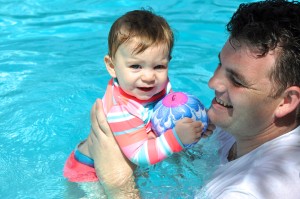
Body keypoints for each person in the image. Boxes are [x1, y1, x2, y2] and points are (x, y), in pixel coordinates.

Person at [86, 0, 300, 198]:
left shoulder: (246, 192)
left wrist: (119, 186)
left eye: (236, 80)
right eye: (219, 65)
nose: (213, 82)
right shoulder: (242, 124)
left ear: (286, 101)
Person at [64, 9, 210, 183]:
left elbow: (165, 119)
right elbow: (139, 155)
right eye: (135, 66)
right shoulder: (121, 109)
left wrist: (195, 128)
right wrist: (177, 137)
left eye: (158, 67)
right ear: (112, 66)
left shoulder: (156, 87)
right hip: (89, 173)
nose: (149, 77)